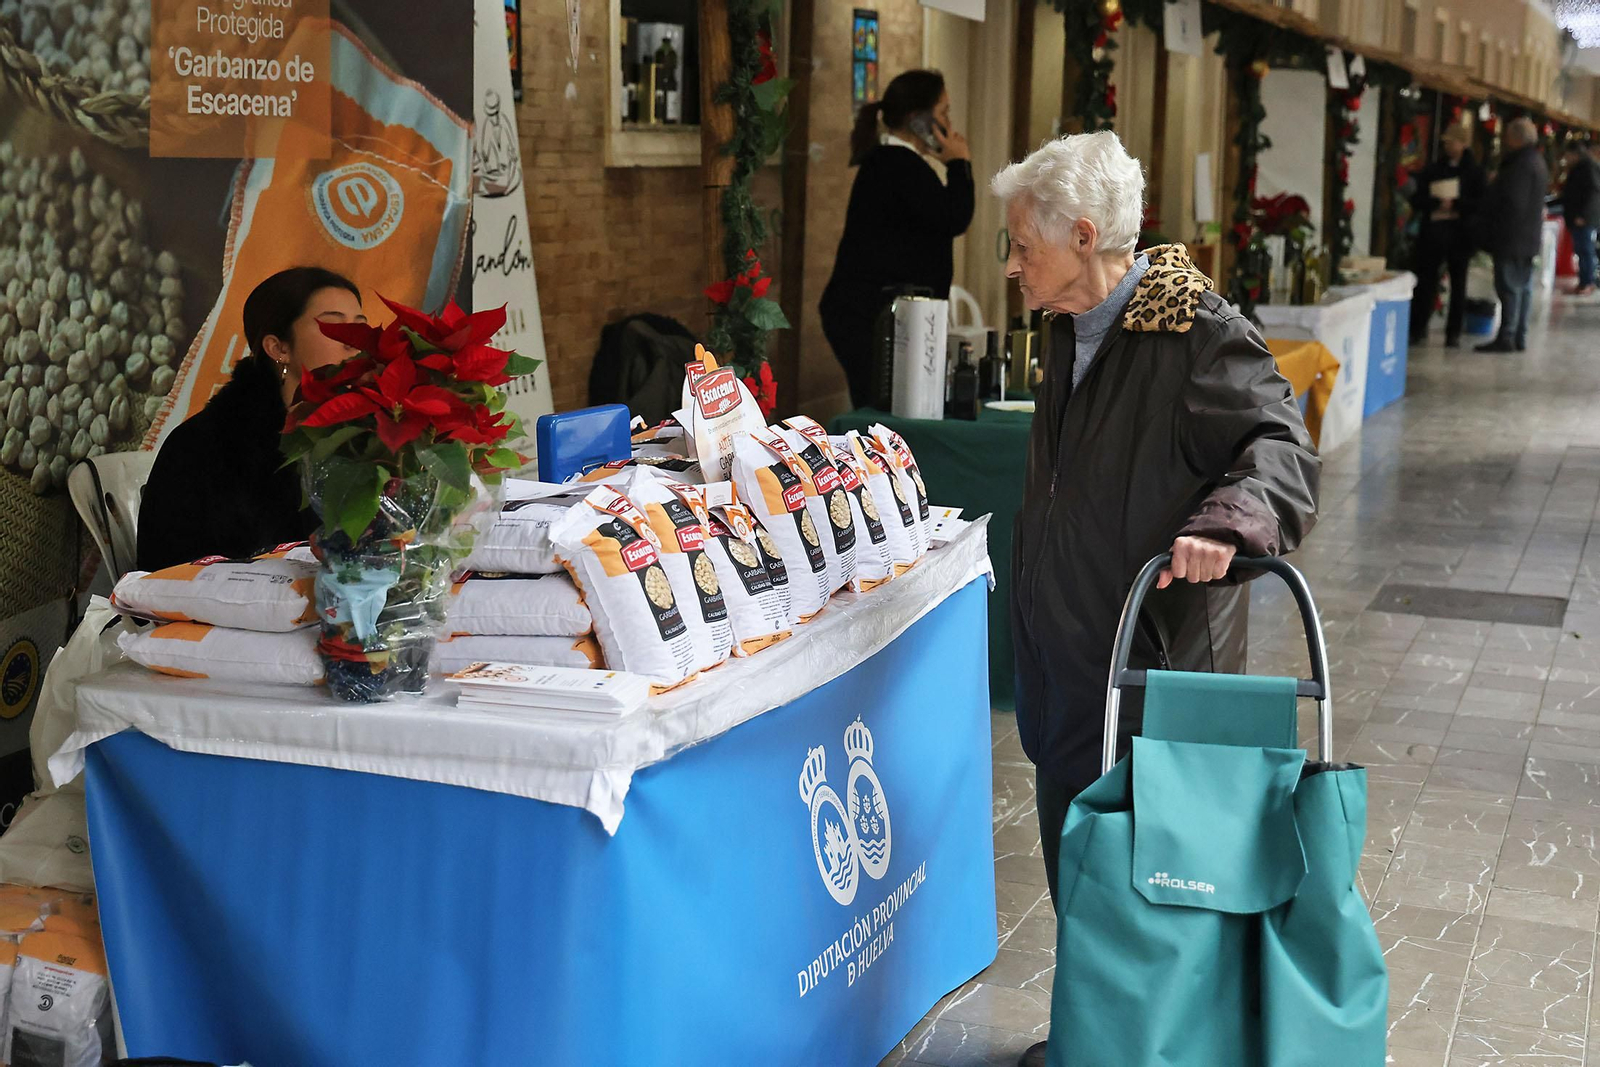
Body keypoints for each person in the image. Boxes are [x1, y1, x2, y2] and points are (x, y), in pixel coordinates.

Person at [992, 132, 1320, 1067]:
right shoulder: (1071, 323)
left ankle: (1147, 1050)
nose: (1010, 265)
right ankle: (1098, 1039)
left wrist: (1227, 523)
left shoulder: (1196, 332)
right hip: (1068, 664)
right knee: (1081, 873)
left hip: (1152, 675)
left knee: (1156, 893)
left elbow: (1283, 449)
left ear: (1084, 236)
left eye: (1023, 245)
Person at [137, 267, 367, 572]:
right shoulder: (208, 445)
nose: (353, 341)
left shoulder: (365, 433)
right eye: (334, 326)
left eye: (360, 326)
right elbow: (168, 573)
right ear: (279, 347)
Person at [819, 70, 975, 408]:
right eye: (944, 112)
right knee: (882, 412)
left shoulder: (896, 162)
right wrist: (959, 164)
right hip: (869, 317)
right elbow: (954, 216)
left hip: (872, 314)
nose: (949, 124)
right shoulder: (897, 164)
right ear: (918, 119)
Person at [1474, 117, 1549, 353]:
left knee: (1509, 288)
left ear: (1515, 138)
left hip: (1511, 237)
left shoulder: (1519, 165)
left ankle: (1506, 336)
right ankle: (1519, 336)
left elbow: (1512, 202)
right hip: (1528, 238)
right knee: (1523, 288)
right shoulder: (1537, 161)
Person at [1409, 125, 1485, 347]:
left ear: (1463, 144)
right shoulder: (1434, 169)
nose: (1448, 146)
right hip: (1433, 235)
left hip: (1460, 235)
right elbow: (1417, 199)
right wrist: (1436, 203)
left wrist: (1457, 205)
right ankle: (1418, 327)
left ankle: (1453, 332)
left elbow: (1481, 203)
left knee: (1458, 284)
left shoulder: (1474, 172)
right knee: (1426, 281)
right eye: (1446, 143)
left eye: (1452, 142)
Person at [1558, 140, 1600, 295]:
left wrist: (1584, 216)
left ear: (1575, 154)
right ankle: (1584, 281)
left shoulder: (1587, 168)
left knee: (1585, 250)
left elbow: (1593, 193)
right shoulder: (1580, 168)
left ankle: (1587, 282)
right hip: (1578, 217)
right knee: (1581, 250)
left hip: (1584, 219)